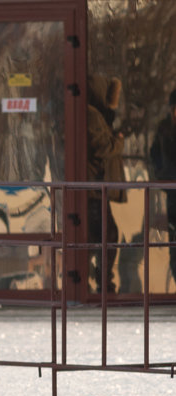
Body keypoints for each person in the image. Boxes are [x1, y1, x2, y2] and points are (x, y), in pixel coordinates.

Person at [87, 74, 124, 294]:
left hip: (94, 186)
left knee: (97, 235)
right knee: (107, 234)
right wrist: (119, 141)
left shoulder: (94, 115)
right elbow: (103, 147)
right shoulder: (91, 116)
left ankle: (98, 280)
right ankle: (103, 282)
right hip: (93, 187)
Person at [148, 89, 176, 266]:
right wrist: (161, 173)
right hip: (171, 188)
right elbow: (154, 153)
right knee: (173, 236)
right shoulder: (164, 128)